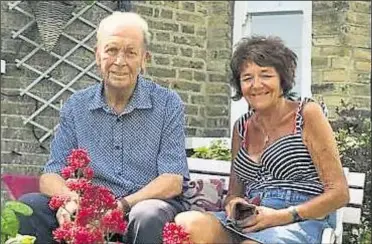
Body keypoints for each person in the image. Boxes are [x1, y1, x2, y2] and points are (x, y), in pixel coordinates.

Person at [17, 12, 190, 244]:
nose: (119, 61)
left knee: (147, 215)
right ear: (96, 55)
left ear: (144, 59)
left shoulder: (168, 104)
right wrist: (69, 201)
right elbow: (51, 174)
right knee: (29, 206)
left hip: (141, 205)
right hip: (88, 208)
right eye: (111, 50)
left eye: (130, 52)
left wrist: (120, 206)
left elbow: (172, 180)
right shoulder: (77, 105)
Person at [174, 36, 350, 244]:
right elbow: (233, 194)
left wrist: (283, 215)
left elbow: (339, 193)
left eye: (266, 75)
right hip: (251, 219)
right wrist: (235, 204)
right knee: (186, 224)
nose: (256, 85)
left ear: (282, 79)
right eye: (247, 78)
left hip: (300, 219)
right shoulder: (241, 127)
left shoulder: (307, 114)